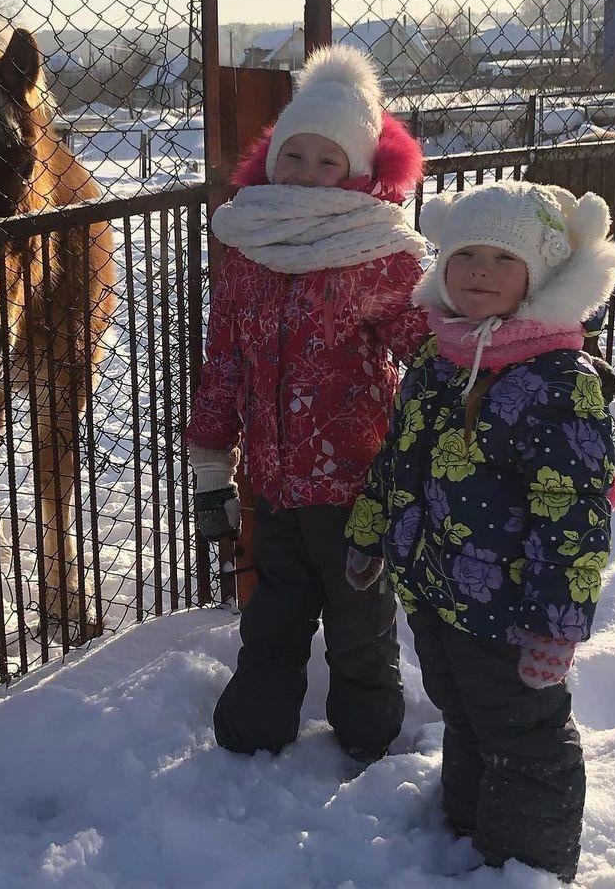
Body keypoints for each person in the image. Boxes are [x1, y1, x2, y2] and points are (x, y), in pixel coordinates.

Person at [346, 180, 615, 882]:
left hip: (513, 611)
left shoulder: (560, 381)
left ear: (543, 276)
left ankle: (527, 863)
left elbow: (575, 513)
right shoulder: (438, 359)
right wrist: (370, 531)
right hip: (439, 593)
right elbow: (396, 458)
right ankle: (469, 822)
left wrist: (556, 626)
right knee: (465, 713)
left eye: (502, 259)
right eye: (465, 253)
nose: (477, 271)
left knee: (524, 734)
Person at [186, 44, 429, 763]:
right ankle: (253, 731)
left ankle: (368, 735)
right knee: (272, 619)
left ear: (358, 173)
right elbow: (224, 361)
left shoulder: (379, 252)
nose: (310, 173)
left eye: (331, 161)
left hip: (360, 488)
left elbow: (425, 342)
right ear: (272, 158)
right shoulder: (248, 246)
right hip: (275, 483)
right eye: (297, 155)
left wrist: (506, 351)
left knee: (361, 623)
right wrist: (210, 465)